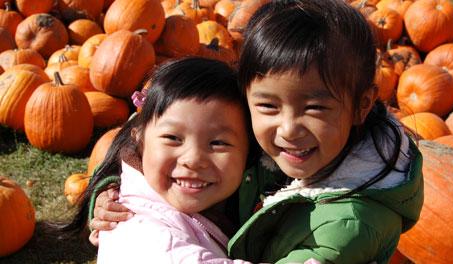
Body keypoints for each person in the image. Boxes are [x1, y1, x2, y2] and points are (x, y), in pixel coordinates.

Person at [90, 0, 424, 263]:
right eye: (268, 106)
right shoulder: (253, 137)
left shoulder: (350, 226)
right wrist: (113, 191)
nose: (289, 129)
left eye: (315, 108)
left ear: (362, 105)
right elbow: (168, 130)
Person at [62, 57, 256, 263]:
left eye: (218, 143)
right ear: (139, 140)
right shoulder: (153, 242)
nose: (193, 159)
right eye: (172, 138)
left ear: (250, 149)